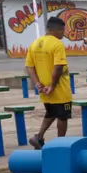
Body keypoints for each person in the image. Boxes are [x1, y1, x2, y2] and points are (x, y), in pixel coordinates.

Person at [25, 17, 71, 149]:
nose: (63, 34)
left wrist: (37, 83)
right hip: (58, 88)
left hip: (43, 88)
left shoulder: (34, 44)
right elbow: (58, 66)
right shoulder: (57, 44)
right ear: (58, 30)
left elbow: (29, 66)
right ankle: (60, 145)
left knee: (51, 113)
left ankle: (38, 137)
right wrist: (53, 86)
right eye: (63, 31)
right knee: (62, 116)